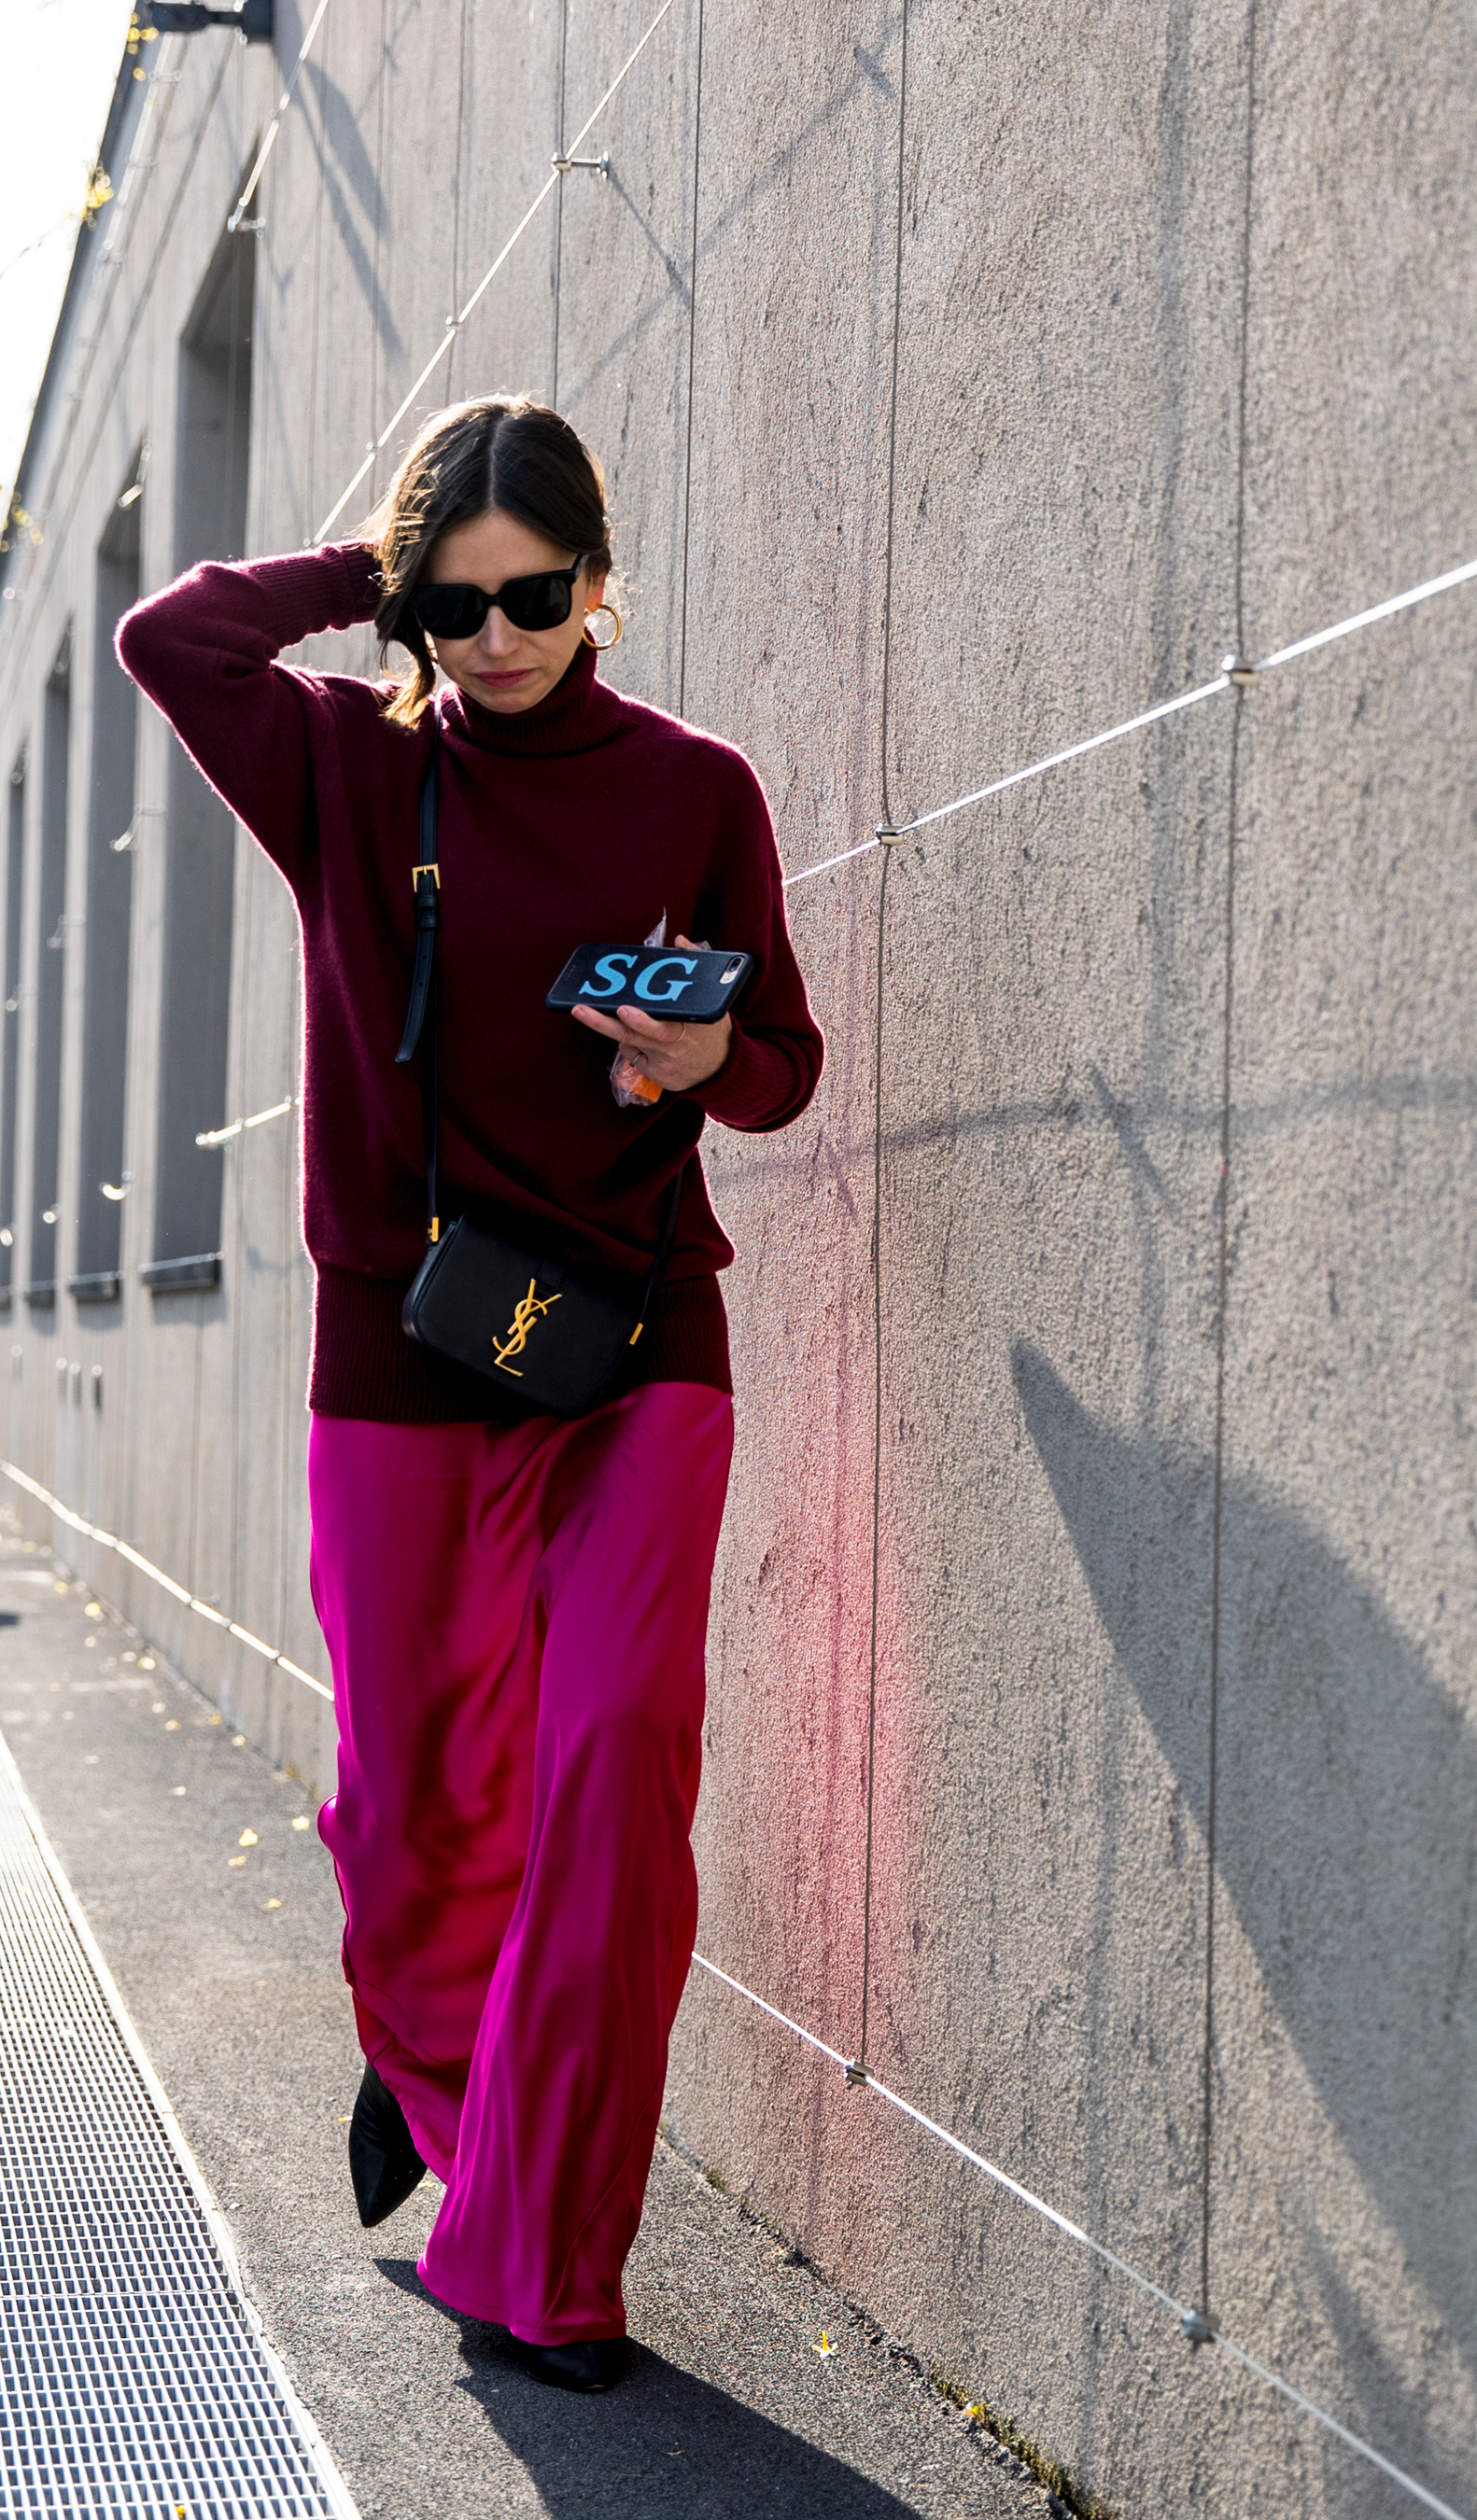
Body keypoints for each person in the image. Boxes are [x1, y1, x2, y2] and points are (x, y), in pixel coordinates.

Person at [118, 396, 823, 2392]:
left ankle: (548, 2260)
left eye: (538, 595)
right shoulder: (351, 764)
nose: (498, 637)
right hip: (405, 1346)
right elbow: (171, 638)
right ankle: (438, 2073)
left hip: (636, 1345)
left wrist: (701, 1065)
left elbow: (784, 1061)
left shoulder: (694, 788)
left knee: (617, 1764)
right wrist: (375, 569)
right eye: (457, 601)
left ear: (600, 582)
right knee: (419, 1815)